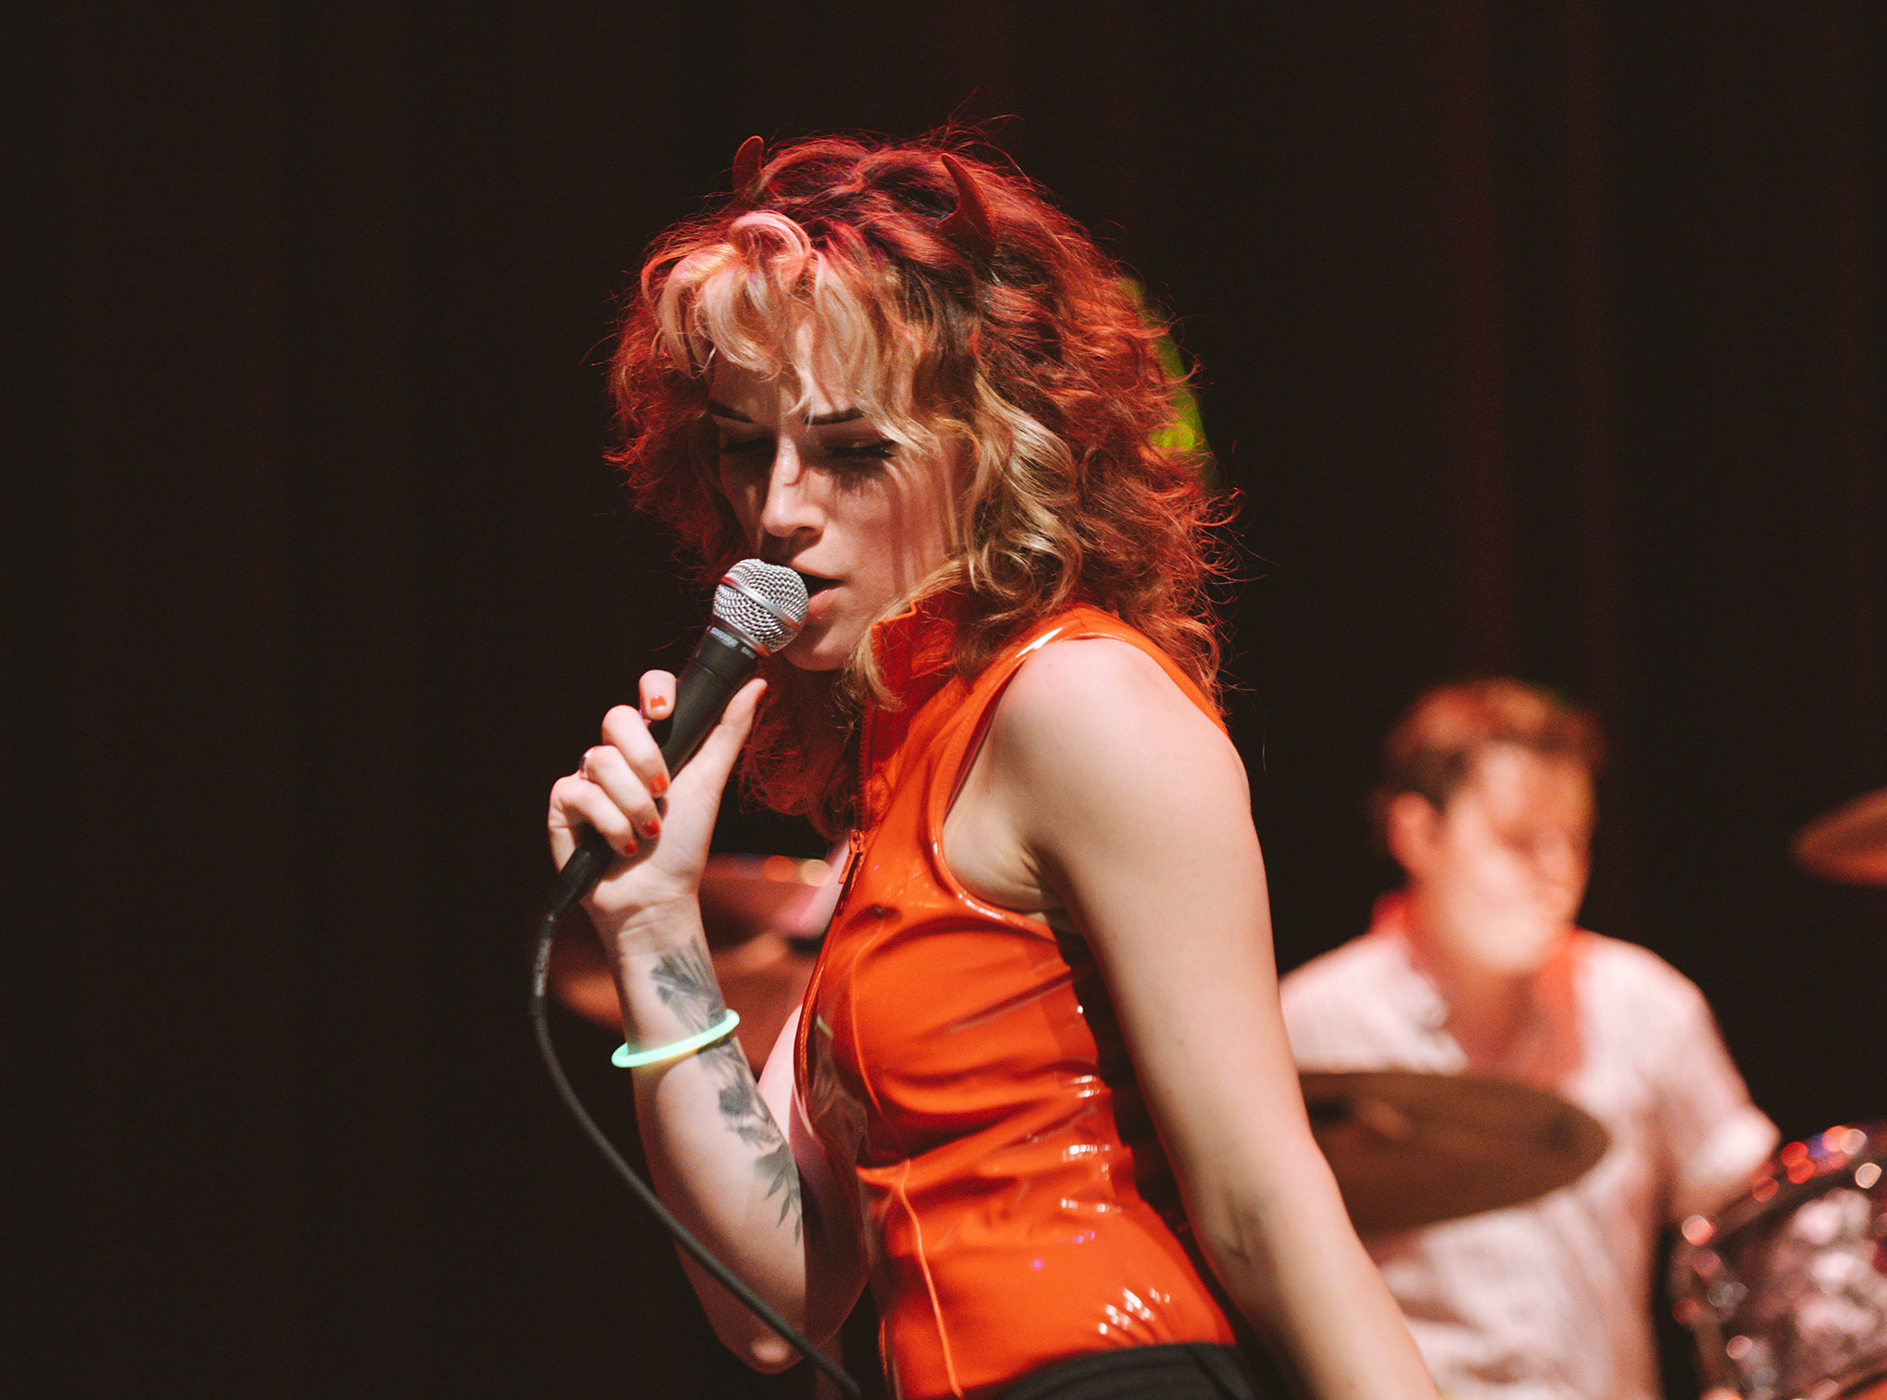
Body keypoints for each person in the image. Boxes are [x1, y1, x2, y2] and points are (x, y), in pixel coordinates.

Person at [547, 134, 1435, 1400]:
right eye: (748, 448)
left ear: (997, 448)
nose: (782, 509)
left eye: (852, 451)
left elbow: (1263, 1202)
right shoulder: (900, 785)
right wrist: (650, 931)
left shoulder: (1081, 702)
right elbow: (776, 1304)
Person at [1279, 681, 1777, 1400]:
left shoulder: (1643, 1004)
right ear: (1417, 835)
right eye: (1518, 841)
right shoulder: (1311, 1027)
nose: (1557, 873)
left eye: (1573, 840)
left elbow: (1757, 1232)